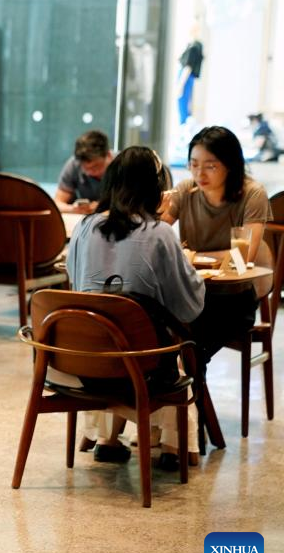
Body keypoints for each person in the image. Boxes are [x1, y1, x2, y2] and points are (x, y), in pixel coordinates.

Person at [66, 147, 205, 469]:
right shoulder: (158, 234)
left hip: (85, 363)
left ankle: (107, 439)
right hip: (145, 369)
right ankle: (171, 445)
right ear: (156, 188)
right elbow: (187, 305)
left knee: (116, 332)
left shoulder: (85, 227)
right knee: (167, 342)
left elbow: (76, 285)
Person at [162, 126, 270, 370]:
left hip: (233, 300)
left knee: (190, 350)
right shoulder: (185, 190)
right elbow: (154, 233)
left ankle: (189, 392)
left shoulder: (252, 194)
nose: (199, 173)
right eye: (193, 164)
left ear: (230, 165)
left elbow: (243, 256)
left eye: (210, 166)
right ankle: (178, 391)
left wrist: (190, 256)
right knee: (150, 332)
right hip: (191, 293)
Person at [55, 130, 114, 213]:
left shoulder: (124, 165)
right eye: (85, 168)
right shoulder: (74, 164)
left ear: (108, 155)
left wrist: (104, 207)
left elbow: (130, 205)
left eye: (96, 166)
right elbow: (57, 203)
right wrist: (74, 209)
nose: (90, 173)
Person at [177, 23, 204, 126]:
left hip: (186, 77)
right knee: (185, 103)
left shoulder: (194, 47)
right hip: (186, 77)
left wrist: (181, 84)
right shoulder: (192, 46)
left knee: (183, 104)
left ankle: (184, 125)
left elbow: (188, 67)